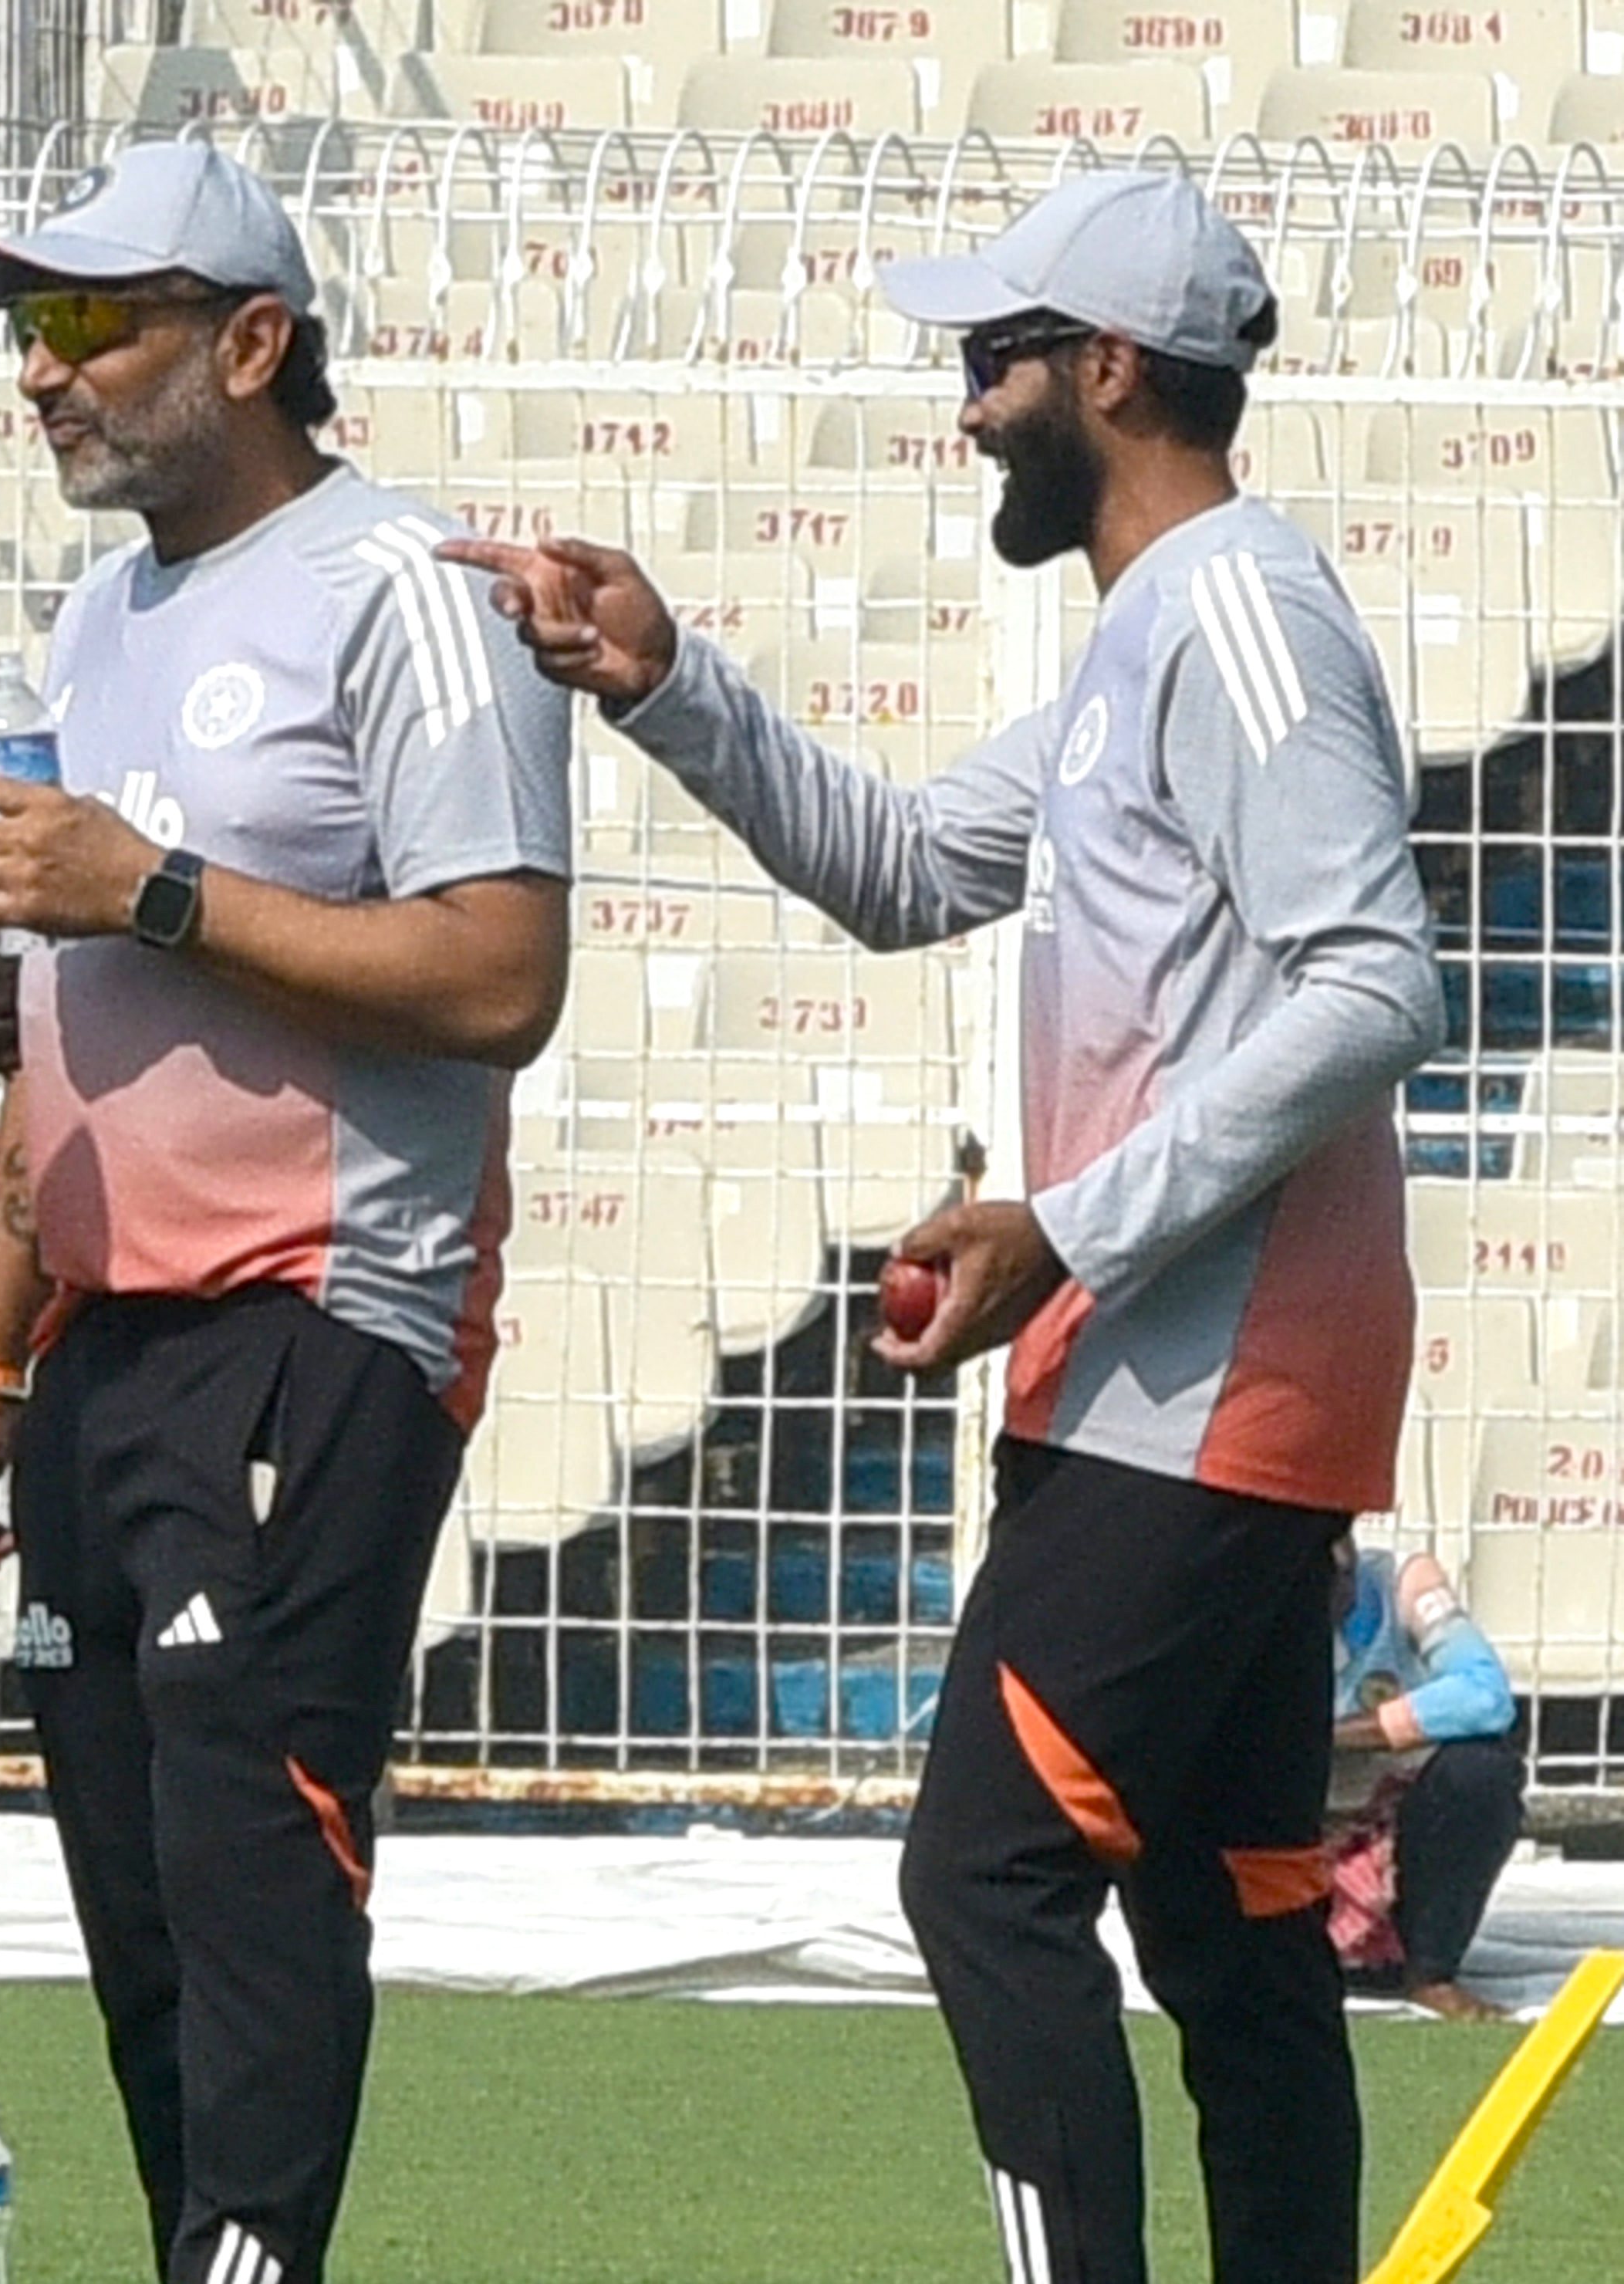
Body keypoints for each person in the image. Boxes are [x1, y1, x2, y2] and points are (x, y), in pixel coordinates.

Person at [445, 168, 1443, 2284]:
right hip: (1196, 1389)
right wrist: (659, 675)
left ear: (1105, 372)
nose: (969, 405)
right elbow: (899, 867)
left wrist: (1067, 1229)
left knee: (985, 1877)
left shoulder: (1238, 613)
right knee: (1236, 1918)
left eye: (994, 363)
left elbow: (1378, 984)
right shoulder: (1150, 642)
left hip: (1200, 1393)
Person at [0, 144, 575, 2284]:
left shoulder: (407, 592)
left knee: (252, 1848)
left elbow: (501, 977)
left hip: (316, 1310)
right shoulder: (110, 615)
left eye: (96, 324)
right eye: (32, 330)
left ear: (256, 344)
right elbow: (86, 1021)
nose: (45, 375)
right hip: (106, 1340)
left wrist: (147, 893)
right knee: (137, 1884)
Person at [1328, 1536, 1524, 2021]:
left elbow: (1485, 1695)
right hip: (1285, 1825)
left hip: (1386, 1816)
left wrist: (1338, 1735)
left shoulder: (1404, 1584)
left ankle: (1429, 1969)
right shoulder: (1233, 1602)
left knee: (1482, 1770)